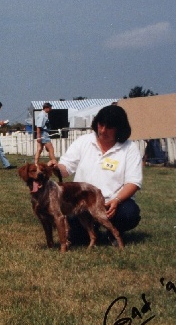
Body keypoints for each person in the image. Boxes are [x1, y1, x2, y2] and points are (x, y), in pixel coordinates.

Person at [50, 104, 142, 244]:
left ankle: (113, 233)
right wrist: (56, 167)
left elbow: (133, 182)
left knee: (129, 214)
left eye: (109, 127)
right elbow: (66, 168)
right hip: (82, 201)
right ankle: (91, 231)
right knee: (77, 236)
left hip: (111, 202)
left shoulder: (130, 148)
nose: (103, 130)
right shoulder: (84, 141)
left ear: (120, 129)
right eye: (101, 125)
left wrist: (116, 201)